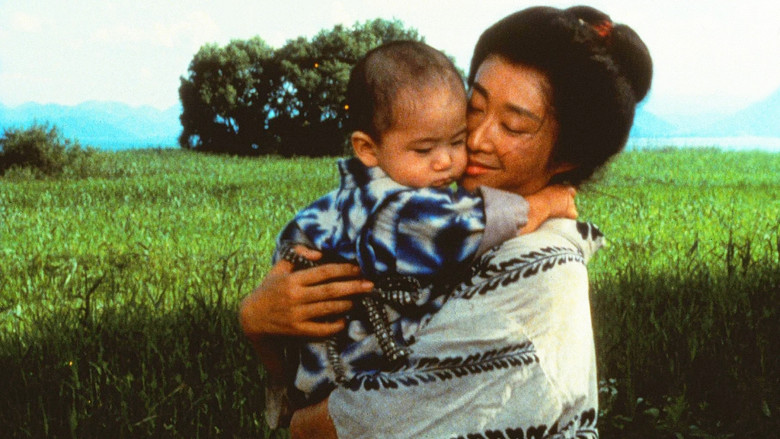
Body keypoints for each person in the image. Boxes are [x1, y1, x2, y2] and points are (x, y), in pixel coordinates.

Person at [240, 5, 652, 438]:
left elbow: (333, 426)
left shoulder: (537, 271)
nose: (475, 140)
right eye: (474, 107)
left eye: (512, 126)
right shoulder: (425, 214)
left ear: (568, 157)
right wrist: (259, 323)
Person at [265, 41, 577, 424]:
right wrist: (544, 205)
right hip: (346, 374)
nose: (446, 160)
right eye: (425, 149)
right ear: (367, 149)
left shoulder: (353, 196)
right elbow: (459, 229)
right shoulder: (392, 208)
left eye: (456, 141)